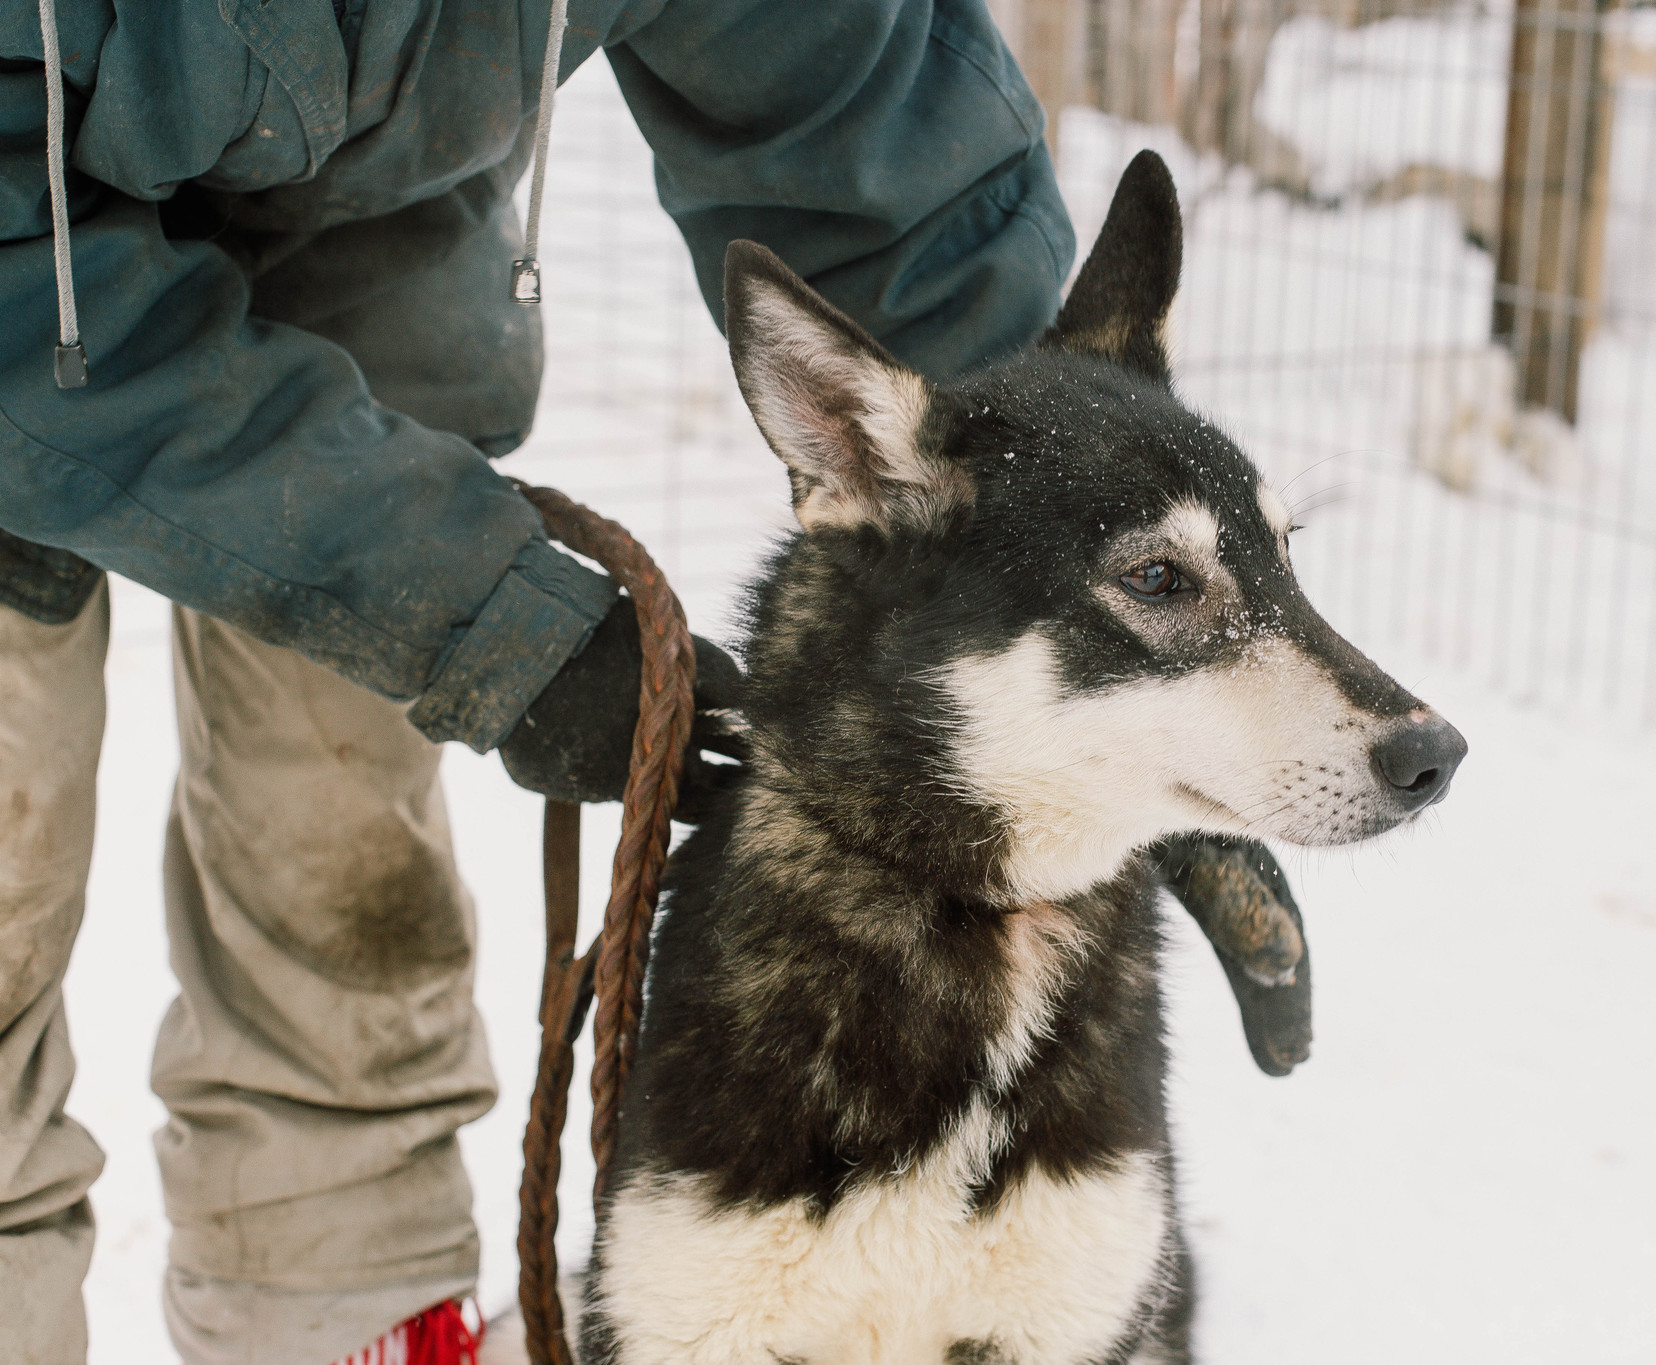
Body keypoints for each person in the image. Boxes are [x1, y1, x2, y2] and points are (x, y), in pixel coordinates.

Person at [0, 4, 1305, 1363]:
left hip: (354, 265)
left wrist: (1086, 605)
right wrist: (489, 624)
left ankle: (337, 1304)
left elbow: (863, 126)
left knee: (332, 841)